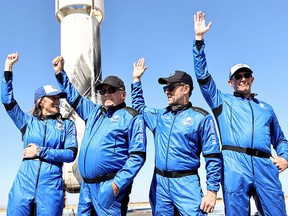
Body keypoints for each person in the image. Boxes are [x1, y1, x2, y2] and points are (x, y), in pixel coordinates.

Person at [193, 11, 288, 216]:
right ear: (231, 82)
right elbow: (202, 77)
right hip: (235, 167)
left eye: (246, 75)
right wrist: (199, 41)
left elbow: (280, 139)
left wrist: (284, 157)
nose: (242, 79)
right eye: (237, 76)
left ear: (252, 79)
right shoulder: (221, 102)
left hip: (265, 167)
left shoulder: (266, 109)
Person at [52, 56, 147, 216]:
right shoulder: (94, 112)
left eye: (111, 90)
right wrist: (60, 73)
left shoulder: (131, 117)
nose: (106, 94)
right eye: (103, 91)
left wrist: (117, 184)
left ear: (123, 95)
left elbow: (138, 155)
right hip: (87, 188)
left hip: (109, 189)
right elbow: (74, 97)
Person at [131, 58, 222, 215]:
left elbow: (213, 156)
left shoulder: (201, 118)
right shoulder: (159, 117)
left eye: (171, 87)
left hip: (186, 184)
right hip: (160, 186)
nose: (167, 91)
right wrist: (136, 80)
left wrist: (212, 191)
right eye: (165, 88)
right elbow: (139, 108)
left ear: (185, 89)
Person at [1, 52, 78, 216]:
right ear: (40, 101)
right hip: (23, 186)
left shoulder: (67, 124)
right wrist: (8, 68)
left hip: (50, 189)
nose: (58, 101)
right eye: (54, 98)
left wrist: (39, 151)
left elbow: (70, 154)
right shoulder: (27, 123)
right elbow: (7, 101)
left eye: (59, 98)